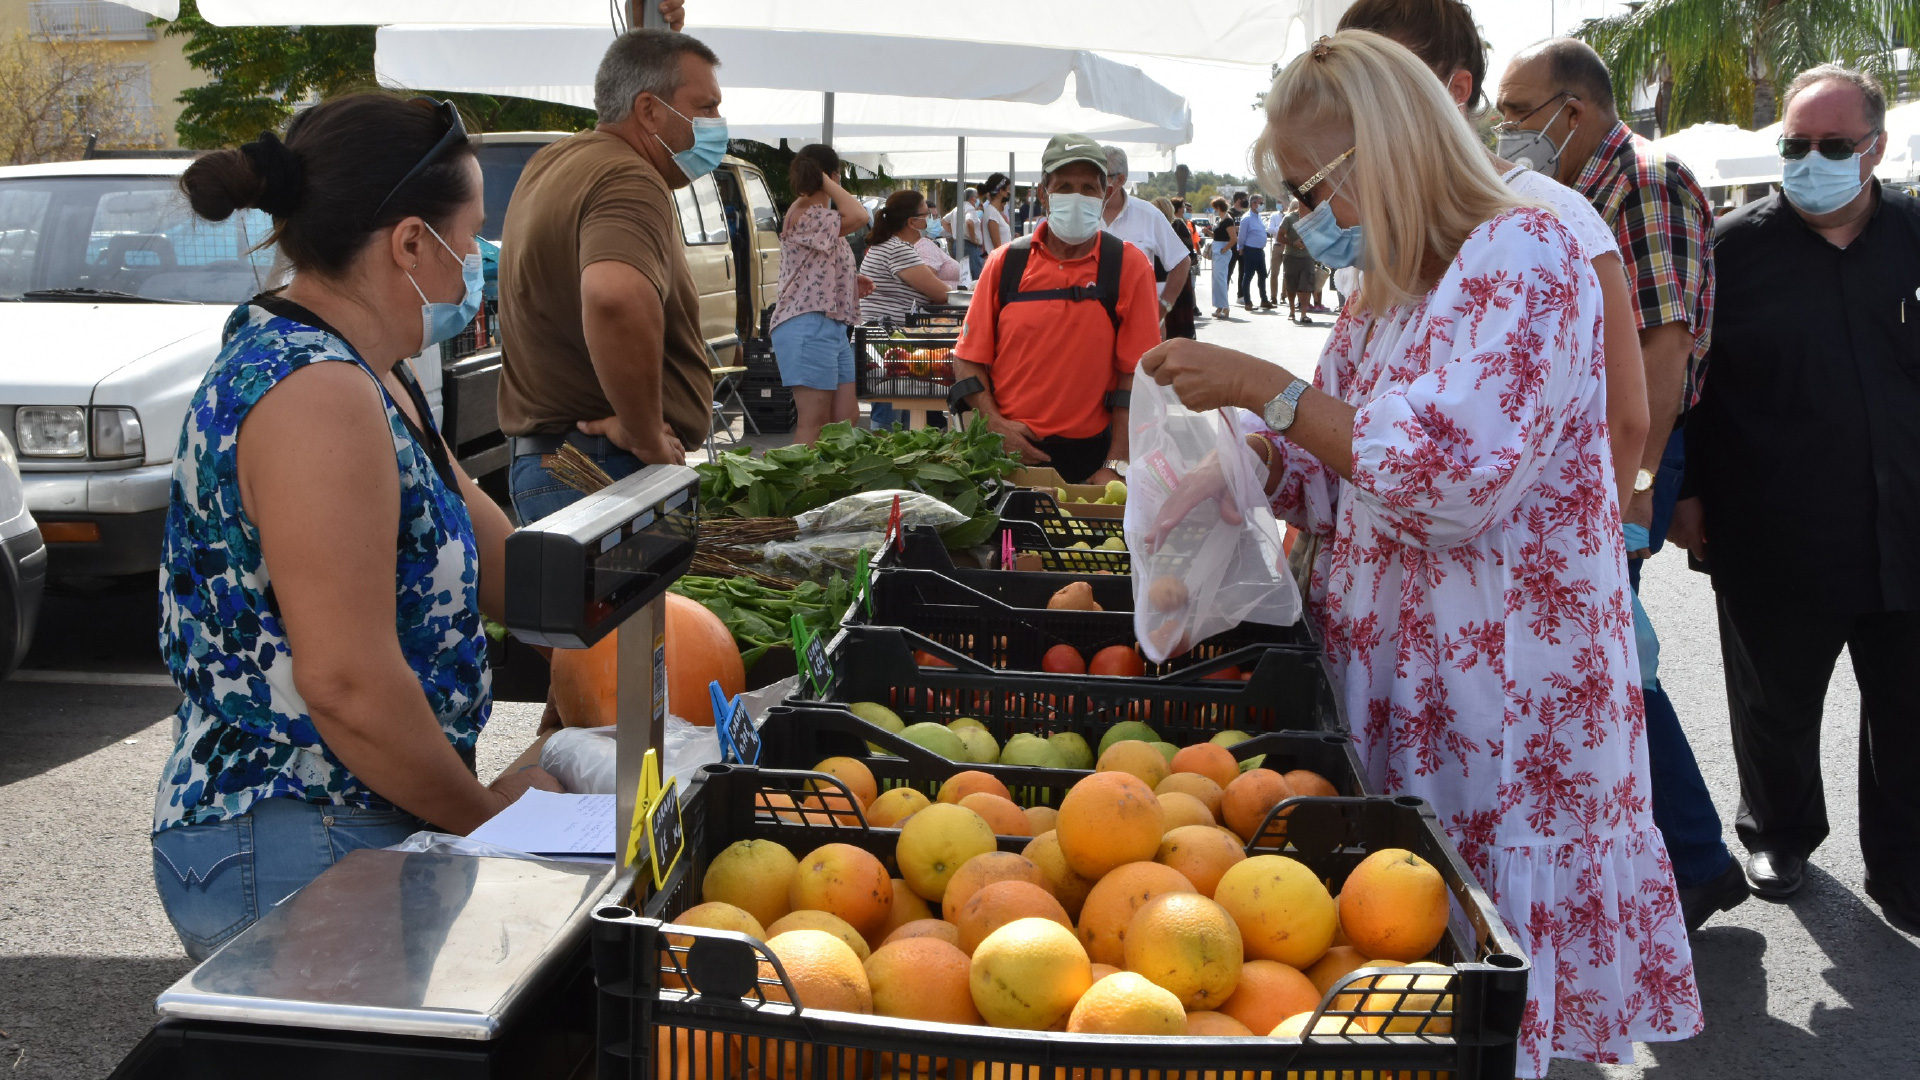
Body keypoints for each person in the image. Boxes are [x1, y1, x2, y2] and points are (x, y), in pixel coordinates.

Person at [1139, 34, 1700, 1075]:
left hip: (1502, 702)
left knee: (1474, 982)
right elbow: (1333, 470)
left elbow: (1449, 484)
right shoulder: (1393, 287)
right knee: (1405, 967)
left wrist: (1269, 390)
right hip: (1414, 682)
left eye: (1316, 185)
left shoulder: (1524, 251)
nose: (1317, 216)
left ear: (1383, 154)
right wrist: (1228, 460)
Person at [151, 95, 561, 960]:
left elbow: (515, 572)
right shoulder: (317, 394)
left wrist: (622, 639)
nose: (476, 268)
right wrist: (489, 818)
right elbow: (344, 682)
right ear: (411, 244)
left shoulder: (373, 378)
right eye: (471, 238)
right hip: (296, 835)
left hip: (352, 820)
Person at [1496, 37, 1740, 921]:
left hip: (1624, 446)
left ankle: (1693, 856)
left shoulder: (1641, 177)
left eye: (1519, 112)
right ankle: (1686, 854)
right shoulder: (1574, 187)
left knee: (1607, 657)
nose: (1507, 129)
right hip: (1601, 446)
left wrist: (1635, 484)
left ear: (1575, 109)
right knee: (1603, 653)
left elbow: (1663, 347)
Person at [1676, 65, 1920, 926]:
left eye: (1833, 146)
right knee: (1773, 703)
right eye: (1795, 145)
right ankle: (1778, 832)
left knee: (1908, 710)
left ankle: (1904, 867)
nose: (1810, 160)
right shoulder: (1730, 252)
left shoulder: (1916, 236)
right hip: (1773, 526)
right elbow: (1689, 388)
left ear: (1876, 149)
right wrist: (1684, 494)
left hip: (1907, 528)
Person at [497, 28, 723, 523]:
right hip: (604, 467)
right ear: (648, 110)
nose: (718, 124)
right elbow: (614, 297)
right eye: (705, 108)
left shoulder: (553, 161)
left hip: (559, 461)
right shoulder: (629, 175)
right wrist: (644, 435)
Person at [950, 133, 1159, 484]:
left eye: (1089, 187)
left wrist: (1116, 464)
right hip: (1006, 452)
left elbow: (1135, 376)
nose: (1076, 197)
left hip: (1092, 459)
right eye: (1064, 186)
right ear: (1044, 191)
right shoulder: (1006, 263)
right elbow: (968, 358)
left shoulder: (1127, 265)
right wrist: (996, 425)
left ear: (1106, 193)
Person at [768, 144, 868, 446]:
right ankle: (802, 487)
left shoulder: (819, 215)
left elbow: (814, 264)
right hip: (806, 324)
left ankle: (824, 481)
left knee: (845, 417)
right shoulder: (805, 213)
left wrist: (852, 278)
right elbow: (860, 215)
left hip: (829, 325)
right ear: (834, 175)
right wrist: (827, 182)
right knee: (814, 423)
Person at [1098, 146, 1193, 334]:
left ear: (1120, 180)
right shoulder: (1081, 214)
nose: (1093, 182)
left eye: (1101, 176)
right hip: (1092, 327)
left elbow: (1181, 261)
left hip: (1141, 328)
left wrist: (1162, 307)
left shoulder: (1148, 214)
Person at [859, 190, 950, 324]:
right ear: (912, 222)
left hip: (885, 333)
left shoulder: (888, 245)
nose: (931, 220)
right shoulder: (897, 250)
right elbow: (942, 294)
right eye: (927, 215)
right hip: (888, 337)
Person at [1150, 195, 1199, 338]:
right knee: (1171, 318)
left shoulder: (1174, 225)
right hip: (1172, 277)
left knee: (1170, 318)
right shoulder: (1172, 225)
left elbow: (1186, 253)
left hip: (1172, 276)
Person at [1273, 196, 1318, 324]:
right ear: (1299, 204)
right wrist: (1293, 242)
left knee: (1307, 285)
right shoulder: (1289, 218)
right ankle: (1292, 310)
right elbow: (1280, 237)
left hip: (1308, 257)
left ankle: (1304, 314)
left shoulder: (1312, 219)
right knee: (1291, 284)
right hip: (1291, 256)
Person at [1235, 192, 1273, 310]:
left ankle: (1264, 300)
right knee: (1248, 276)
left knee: (1262, 275)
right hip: (1250, 250)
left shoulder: (1259, 217)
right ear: (1253, 204)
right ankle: (1247, 301)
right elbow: (1242, 235)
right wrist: (1240, 248)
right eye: (1261, 203)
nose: (1262, 205)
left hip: (1260, 251)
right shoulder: (1246, 218)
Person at [1206, 195, 1237, 318]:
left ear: (1218, 207)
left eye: (1215, 208)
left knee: (1221, 279)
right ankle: (1220, 306)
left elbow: (1233, 238)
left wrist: (1223, 250)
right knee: (1216, 280)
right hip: (1218, 249)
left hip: (1222, 251)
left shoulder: (1228, 220)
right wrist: (1208, 232)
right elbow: (1217, 236)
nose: (1214, 210)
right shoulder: (1221, 220)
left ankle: (1225, 306)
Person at [945, 186, 985, 277]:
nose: (978, 200)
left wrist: (955, 233)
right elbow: (969, 222)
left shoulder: (956, 209)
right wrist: (973, 239)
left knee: (963, 275)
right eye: (977, 198)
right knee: (975, 275)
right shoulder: (970, 208)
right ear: (972, 198)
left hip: (958, 244)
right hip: (970, 245)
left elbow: (944, 221)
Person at [979, 172, 1014, 254]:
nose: (1009, 192)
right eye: (1008, 189)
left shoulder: (994, 212)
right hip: (1000, 262)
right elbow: (997, 247)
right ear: (1001, 191)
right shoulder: (992, 213)